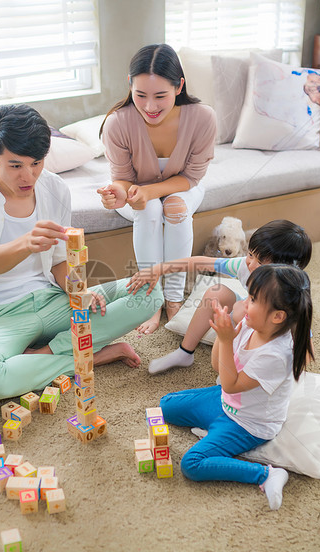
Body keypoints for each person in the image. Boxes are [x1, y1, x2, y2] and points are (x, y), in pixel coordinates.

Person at [0, 104, 163, 401]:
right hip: (1, 313)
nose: (29, 176)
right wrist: (26, 242)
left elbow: (61, 261)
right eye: (16, 165)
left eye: (37, 163)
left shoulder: (54, 187)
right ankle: (93, 355)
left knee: (151, 292)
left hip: (53, 299)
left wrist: (80, 293)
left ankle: (50, 352)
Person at [158, 264, 314, 510]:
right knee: (165, 406)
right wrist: (225, 333)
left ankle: (266, 474)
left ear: (277, 316)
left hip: (248, 424)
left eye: (252, 299)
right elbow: (218, 369)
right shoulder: (252, 325)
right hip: (225, 402)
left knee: (192, 464)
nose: (245, 302)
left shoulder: (276, 355)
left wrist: (227, 338)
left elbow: (230, 385)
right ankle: (212, 430)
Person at [98, 43, 217, 335]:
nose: (150, 106)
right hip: (139, 196)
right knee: (150, 208)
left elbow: (192, 176)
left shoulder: (203, 117)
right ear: (130, 85)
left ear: (179, 87)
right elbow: (124, 179)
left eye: (160, 96)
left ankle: (174, 299)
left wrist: (151, 191)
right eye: (140, 95)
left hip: (185, 187)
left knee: (173, 206)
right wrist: (117, 194)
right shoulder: (118, 123)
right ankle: (150, 301)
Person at [126, 219, 311, 374]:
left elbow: (303, 336)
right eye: (250, 255)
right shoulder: (244, 266)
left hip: (270, 329)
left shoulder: (291, 292)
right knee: (217, 292)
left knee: (241, 313)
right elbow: (200, 262)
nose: (251, 264)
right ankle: (184, 352)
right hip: (251, 314)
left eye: (261, 262)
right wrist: (158, 269)